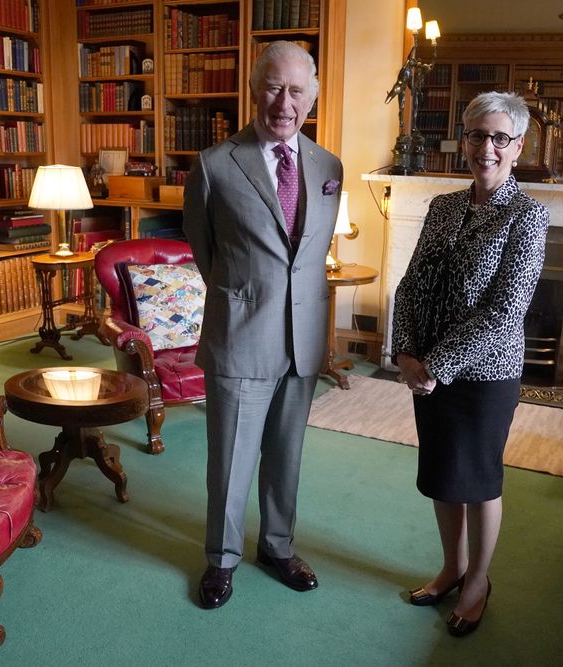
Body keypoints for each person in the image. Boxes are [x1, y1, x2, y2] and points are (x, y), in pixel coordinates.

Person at [183, 41, 343, 610]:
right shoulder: (214, 164)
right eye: (274, 87)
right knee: (229, 459)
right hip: (240, 336)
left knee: (285, 454)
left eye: (297, 91)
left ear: (311, 98)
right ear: (255, 91)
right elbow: (205, 252)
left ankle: (277, 547)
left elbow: (311, 253)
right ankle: (221, 559)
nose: (285, 102)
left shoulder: (329, 167)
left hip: (303, 342)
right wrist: (246, 296)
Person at [391, 91, 549, 637]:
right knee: (442, 475)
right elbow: (412, 283)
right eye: (478, 135)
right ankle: (452, 567)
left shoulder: (529, 216)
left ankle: (478, 580)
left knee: (478, 480)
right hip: (426, 370)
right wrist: (405, 352)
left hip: (485, 375)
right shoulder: (444, 207)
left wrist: (436, 363)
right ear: (465, 141)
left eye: (500, 137)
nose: (487, 147)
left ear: (518, 146)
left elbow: (506, 308)